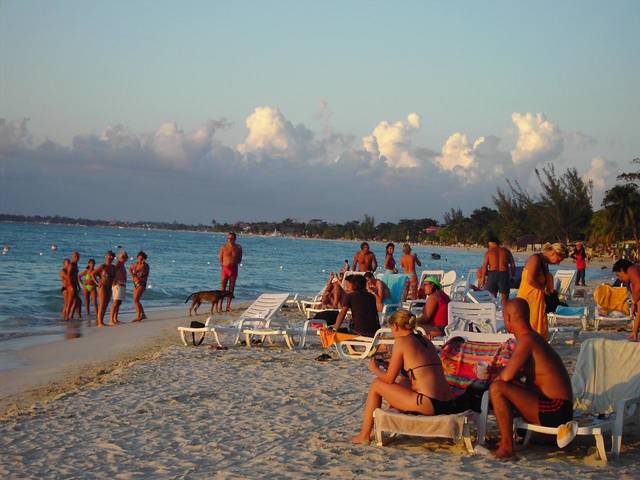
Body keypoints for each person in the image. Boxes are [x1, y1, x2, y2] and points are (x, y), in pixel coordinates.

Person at [351, 309, 466, 444]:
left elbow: (388, 379)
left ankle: (364, 435)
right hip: (448, 402)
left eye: (391, 329)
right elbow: (417, 369)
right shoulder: (424, 341)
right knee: (404, 382)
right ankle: (390, 421)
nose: (392, 333)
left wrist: (375, 369)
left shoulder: (401, 341)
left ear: (396, 326)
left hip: (429, 403)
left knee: (377, 384)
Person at [489, 298, 573, 459]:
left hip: (556, 411)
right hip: (558, 408)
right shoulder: (533, 338)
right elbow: (515, 375)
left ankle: (507, 447)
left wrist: (494, 376)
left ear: (508, 318)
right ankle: (506, 440)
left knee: (497, 388)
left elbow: (506, 376)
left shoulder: (527, 340)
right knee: (504, 385)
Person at [517, 242, 568, 340]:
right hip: (528, 299)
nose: (558, 263)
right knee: (530, 328)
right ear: (554, 253)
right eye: (559, 259)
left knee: (538, 329)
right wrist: (543, 288)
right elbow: (530, 279)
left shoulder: (544, 263)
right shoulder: (535, 259)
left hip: (537, 300)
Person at [479, 237, 516, 305]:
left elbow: (484, 266)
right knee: (505, 297)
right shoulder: (506, 251)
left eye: (489, 245)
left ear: (493, 243)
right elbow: (513, 265)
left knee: (492, 296)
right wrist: (513, 276)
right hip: (504, 274)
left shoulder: (489, 252)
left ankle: (492, 312)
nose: (489, 247)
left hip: (492, 275)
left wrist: (483, 278)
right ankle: (504, 312)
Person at [612, 259, 640, 341]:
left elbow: (638, 285)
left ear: (622, 270)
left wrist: (634, 301)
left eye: (618, 275)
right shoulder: (632, 283)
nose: (620, 279)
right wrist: (634, 332)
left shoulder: (632, 269)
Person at [219, 231, 242, 311]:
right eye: (228, 238)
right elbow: (220, 259)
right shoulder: (223, 247)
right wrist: (225, 265)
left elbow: (239, 259)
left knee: (231, 288)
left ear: (234, 239)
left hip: (234, 269)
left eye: (231, 238)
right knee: (223, 289)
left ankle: (228, 306)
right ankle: (220, 306)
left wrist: (233, 263)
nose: (229, 240)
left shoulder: (238, 248)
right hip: (225, 269)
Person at [94, 251, 116, 327]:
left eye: (112, 257)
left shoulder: (113, 267)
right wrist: (97, 283)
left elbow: (114, 277)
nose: (110, 258)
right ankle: (99, 323)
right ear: (105, 257)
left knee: (106, 304)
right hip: (102, 286)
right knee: (102, 304)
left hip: (109, 287)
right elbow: (93, 274)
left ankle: (101, 321)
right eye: (109, 256)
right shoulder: (102, 266)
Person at [130, 251, 150, 322]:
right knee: (136, 300)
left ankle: (138, 316)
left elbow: (142, 272)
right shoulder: (136, 264)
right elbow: (130, 269)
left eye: (141, 259)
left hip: (142, 284)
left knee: (136, 300)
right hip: (135, 283)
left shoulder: (145, 265)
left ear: (144, 259)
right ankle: (143, 315)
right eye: (139, 258)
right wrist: (133, 276)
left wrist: (135, 271)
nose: (140, 260)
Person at [110, 251, 128, 325]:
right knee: (115, 302)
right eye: (122, 257)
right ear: (118, 257)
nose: (124, 258)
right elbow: (113, 272)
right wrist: (113, 282)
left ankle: (115, 318)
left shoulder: (122, 264)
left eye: (125, 257)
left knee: (119, 303)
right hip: (117, 284)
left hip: (122, 284)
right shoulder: (119, 264)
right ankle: (111, 320)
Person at [69, 251, 82, 319]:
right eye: (75, 257)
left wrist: (78, 286)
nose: (77, 258)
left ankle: (78, 315)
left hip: (75, 285)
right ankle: (71, 316)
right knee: (76, 301)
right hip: (71, 286)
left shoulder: (76, 264)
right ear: (72, 257)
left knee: (79, 301)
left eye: (78, 257)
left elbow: (76, 276)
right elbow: (68, 276)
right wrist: (70, 286)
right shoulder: (71, 265)